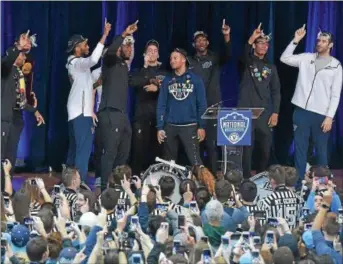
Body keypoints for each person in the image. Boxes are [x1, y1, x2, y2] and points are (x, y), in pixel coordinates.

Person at [280, 25, 343, 186]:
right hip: (301, 111)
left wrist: (329, 117)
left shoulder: (336, 66)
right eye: (319, 40)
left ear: (330, 45)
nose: (320, 43)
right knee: (300, 150)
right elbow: (284, 58)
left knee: (321, 151)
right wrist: (296, 40)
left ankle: (323, 185)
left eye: (324, 41)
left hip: (321, 114)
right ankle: (299, 183)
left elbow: (335, 94)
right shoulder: (306, 58)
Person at [65, 20, 111, 183]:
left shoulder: (77, 66)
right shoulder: (77, 62)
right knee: (83, 152)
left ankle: (67, 183)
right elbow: (92, 60)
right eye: (85, 44)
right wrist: (104, 36)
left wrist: (97, 84)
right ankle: (79, 185)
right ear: (77, 47)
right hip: (80, 112)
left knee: (74, 150)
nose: (87, 45)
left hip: (78, 111)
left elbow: (85, 86)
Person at [97, 21, 138, 190]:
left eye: (130, 47)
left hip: (121, 114)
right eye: (126, 47)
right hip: (110, 112)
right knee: (110, 152)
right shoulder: (110, 62)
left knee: (125, 150)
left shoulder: (123, 67)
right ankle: (106, 187)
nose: (129, 49)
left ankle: (119, 183)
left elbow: (134, 80)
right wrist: (123, 34)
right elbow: (111, 50)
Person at [188, 19, 231, 175]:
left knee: (212, 145)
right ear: (194, 44)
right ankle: (198, 177)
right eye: (197, 40)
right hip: (194, 108)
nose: (201, 42)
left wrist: (226, 36)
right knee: (195, 145)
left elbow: (227, 54)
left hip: (213, 106)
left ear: (207, 42)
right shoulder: (189, 61)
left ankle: (213, 178)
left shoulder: (214, 58)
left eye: (203, 40)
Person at [238, 23, 281, 179]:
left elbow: (276, 92)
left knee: (265, 148)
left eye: (266, 43)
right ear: (254, 45)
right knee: (246, 148)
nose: (263, 46)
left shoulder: (271, 67)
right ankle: (246, 178)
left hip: (264, 113)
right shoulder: (247, 62)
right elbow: (243, 52)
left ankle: (262, 176)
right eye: (260, 42)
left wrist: (275, 112)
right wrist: (252, 37)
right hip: (246, 112)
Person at [156, 48, 207, 166]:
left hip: (190, 126)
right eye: (170, 59)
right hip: (170, 126)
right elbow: (161, 105)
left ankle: (202, 184)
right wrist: (160, 127)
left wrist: (201, 126)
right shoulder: (167, 81)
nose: (172, 61)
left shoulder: (196, 80)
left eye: (175, 58)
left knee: (195, 161)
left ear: (183, 59)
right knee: (168, 163)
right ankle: (169, 184)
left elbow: (202, 104)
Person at [1, 32, 45, 167]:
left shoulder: (19, 73)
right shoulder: (5, 67)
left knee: (11, 154)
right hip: (3, 118)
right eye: (22, 54)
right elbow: (9, 58)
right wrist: (19, 46)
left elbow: (20, 100)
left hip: (15, 118)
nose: (24, 57)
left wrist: (35, 110)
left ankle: (7, 186)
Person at [129, 39, 168, 175]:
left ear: (158, 55)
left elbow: (169, 89)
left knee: (158, 151)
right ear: (145, 54)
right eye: (149, 51)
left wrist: (156, 88)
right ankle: (135, 182)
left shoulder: (164, 72)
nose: (152, 53)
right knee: (138, 151)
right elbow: (133, 82)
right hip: (142, 116)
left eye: (155, 51)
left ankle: (156, 181)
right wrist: (145, 67)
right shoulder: (139, 70)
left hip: (159, 118)